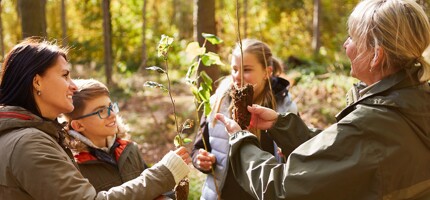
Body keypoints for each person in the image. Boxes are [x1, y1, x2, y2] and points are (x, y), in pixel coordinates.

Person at [215, 0, 430, 199]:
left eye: (353, 38)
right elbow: (346, 155)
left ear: (376, 55)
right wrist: (283, 127)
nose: (346, 45)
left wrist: (240, 141)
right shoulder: (414, 102)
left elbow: (282, 188)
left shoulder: (372, 124)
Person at [0, 38, 190, 200]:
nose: (73, 86)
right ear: (37, 81)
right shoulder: (29, 143)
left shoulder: (32, 136)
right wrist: (163, 173)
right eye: (65, 75)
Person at [192, 38, 298, 199]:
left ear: (267, 72)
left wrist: (288, 153)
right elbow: (199, 146)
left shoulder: (284, 108)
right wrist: (201, 160)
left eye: (246, 70)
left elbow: (300, 155)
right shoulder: (218, 102)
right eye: (234, 69)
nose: (238, 76)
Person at [62, 78, 177, 199]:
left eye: (110, 106)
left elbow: (154, 191)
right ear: (79, 125)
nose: (112, 114)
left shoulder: (129, 149)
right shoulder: (74, 166)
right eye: (101, 111)